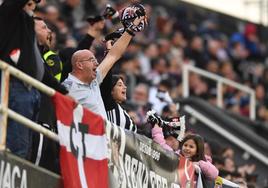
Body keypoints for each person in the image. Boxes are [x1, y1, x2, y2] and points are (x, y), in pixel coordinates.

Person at [0, 0, 67, 159]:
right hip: (16, 86)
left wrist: (63, 92)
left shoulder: (27, 29)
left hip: (30, 90)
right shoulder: (9, 15)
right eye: (29, 4)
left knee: (25, 148)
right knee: (17, 148)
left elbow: (41, 72)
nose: (33, 8)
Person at [62, 5, 147, 119]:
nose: (96, 63)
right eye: (92, 60)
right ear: (79, 64)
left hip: (101, 134)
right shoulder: (67, 86)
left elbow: (113, 56)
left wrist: (131, 29)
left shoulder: (94, 80)